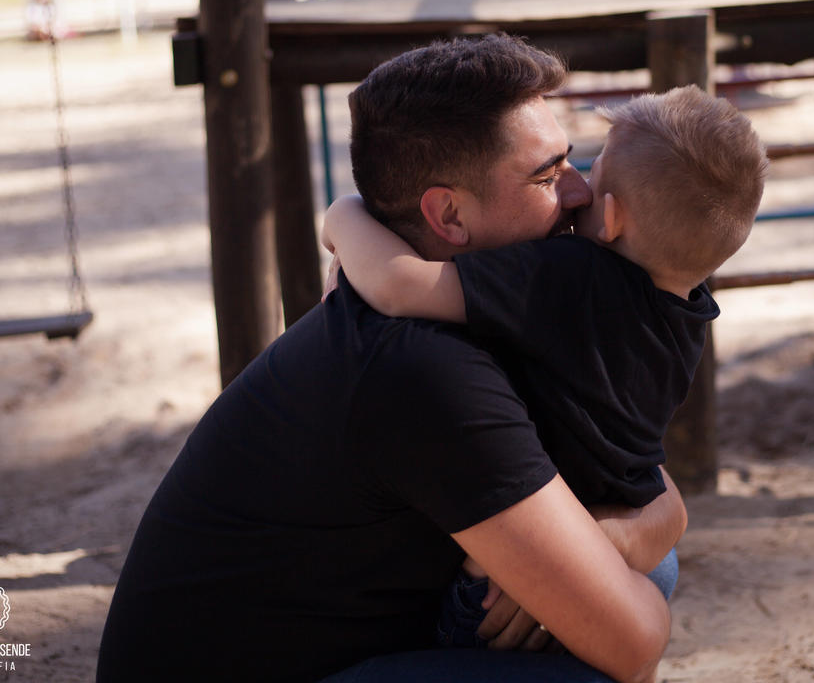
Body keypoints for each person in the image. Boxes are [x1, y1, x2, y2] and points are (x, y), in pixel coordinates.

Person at [96, 34, 687, 683]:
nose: (578, 194)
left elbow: (642, 481)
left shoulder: (474, 305)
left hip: (341, 642)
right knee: (594, 662)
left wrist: (618, 541)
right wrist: (603, 561)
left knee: (639, 559)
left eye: (570, 164)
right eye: (546, 175)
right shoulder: (423, 369)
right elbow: (635, 649)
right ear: (448, 215)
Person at [321, 85, 768, 648]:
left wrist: (343, 215)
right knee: (657, 570)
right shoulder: (686, 314)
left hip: (490, 587)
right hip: (583, 532)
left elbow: (396, 285)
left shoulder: (570, 276)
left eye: (593, 168)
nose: (578, 185)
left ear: (610, 219)